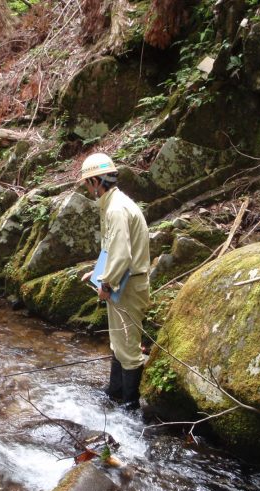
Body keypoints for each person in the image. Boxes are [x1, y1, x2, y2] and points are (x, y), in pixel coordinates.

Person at [80, 153, 150, 410]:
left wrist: (106, 284)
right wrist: (97, 272)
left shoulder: (116, 209)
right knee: (119, 343)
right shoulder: (113, 204)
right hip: (124, 282)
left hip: (128, 287)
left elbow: (122, 255)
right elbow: (113, 250)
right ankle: (114, 395)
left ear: (97, 181)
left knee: (129, 349)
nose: (87, 189)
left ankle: (129, 407)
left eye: (88, 183)